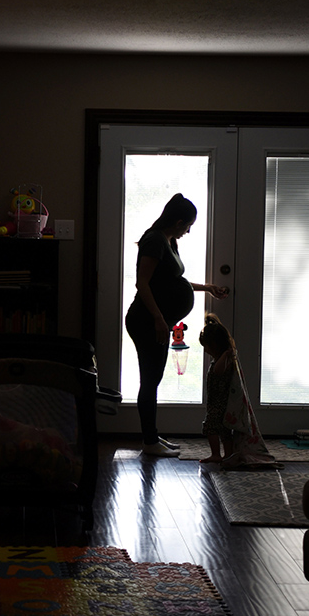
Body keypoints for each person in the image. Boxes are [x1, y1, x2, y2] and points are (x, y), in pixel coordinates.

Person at [125, 193, 228, 457]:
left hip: (159, 321)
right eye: (187, 226)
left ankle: (153, 436)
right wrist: (159, 318)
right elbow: (142, 283)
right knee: (150, 380)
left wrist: (206, 288)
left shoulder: (168, 241)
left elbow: (172, 281)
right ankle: (150, 443)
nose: (188, 231)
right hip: (147, 321)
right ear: (178, 221)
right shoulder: (154, 240)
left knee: (154, 379)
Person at [197, 313, 280, 469]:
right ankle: (227, 455)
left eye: (206, 346)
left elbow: (218, 371)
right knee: (224, 430)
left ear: (215, 345)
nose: (206, 350)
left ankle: (218, 454)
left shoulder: (224, 359)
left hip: (219, 404)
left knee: (210, 427)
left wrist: (225, 355)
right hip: (219, 402)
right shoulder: (223, 358)